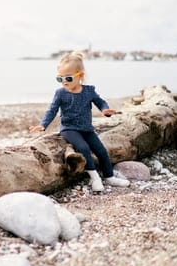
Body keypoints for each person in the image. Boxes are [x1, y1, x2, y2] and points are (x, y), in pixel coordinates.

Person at [29, 50, 130, 192]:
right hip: (69, 128)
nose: (64, 82)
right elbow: (52, 110)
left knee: (101, 150)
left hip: (87, 128)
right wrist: (43, 125)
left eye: (68, 78)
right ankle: (95, 178)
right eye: (60, 78)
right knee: (83, 148)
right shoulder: (60, 93)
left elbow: (100, 102)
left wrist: (105, 110)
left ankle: (109, 176)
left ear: (80, 76)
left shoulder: (89, 91)